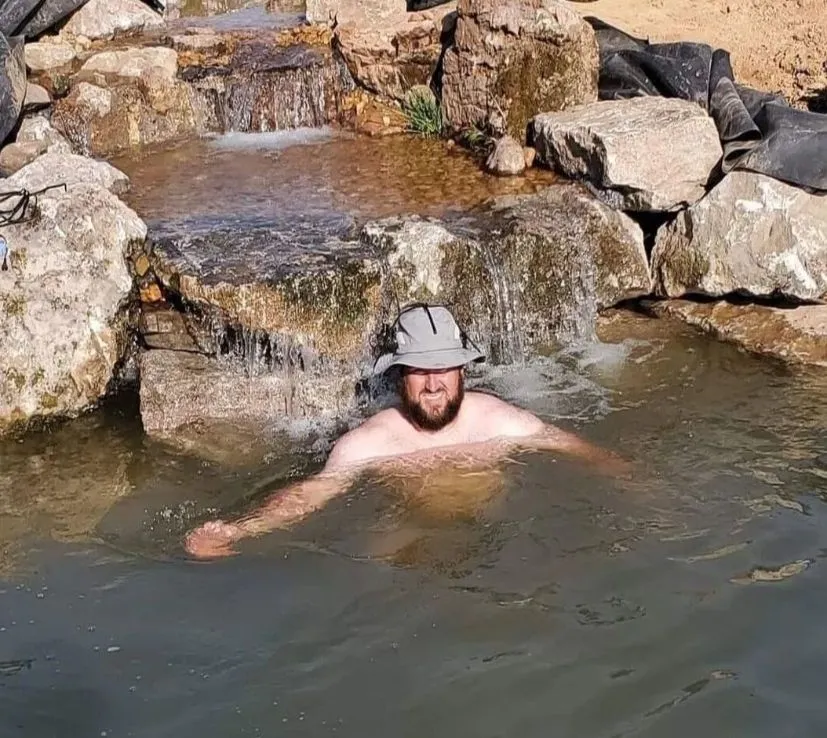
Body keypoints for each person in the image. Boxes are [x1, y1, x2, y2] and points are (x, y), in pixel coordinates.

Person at [185, 303, 630, 559]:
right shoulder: (370, 443)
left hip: (497, 538)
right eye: (420, 371)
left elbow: (577, 449)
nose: (434, 384)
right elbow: (309, 495)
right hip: (407, 540)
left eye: (443, 370)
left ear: (461, 371)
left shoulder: (500, 421)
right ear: (400, 376)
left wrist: (632, 479)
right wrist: (239, 530)